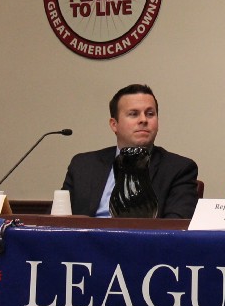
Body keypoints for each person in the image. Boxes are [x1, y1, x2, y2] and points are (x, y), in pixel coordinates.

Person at [62, 83, 199, 218]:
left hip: (146, 240)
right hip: (85, 239)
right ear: (114, 124)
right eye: (133, 114)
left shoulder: (179, 168)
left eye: (150, 114)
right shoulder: (83, 165)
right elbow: (56, 219)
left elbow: (175, 226)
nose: (143, 120)